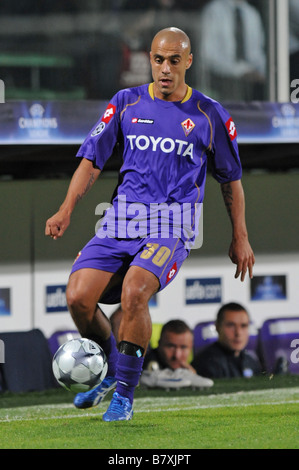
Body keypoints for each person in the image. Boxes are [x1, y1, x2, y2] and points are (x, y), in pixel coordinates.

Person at [45, 27, 255, 422]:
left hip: (171, 225)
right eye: (158, 59)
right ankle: (111, 364)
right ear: (151, 60)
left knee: (135, 290)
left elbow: (231, 182)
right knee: (77, 297)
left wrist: (240, 237)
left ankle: (124, 395)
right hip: (121, 220)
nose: (164, 68)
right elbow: (91, 160)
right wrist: (66, 209)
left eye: (174, 60)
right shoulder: (126, 102)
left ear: (188, 62)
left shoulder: (209, 115)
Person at [199, 0, 266, 100]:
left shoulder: (252, 14)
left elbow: (257, 53)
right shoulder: (213, 11)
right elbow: (208, 56)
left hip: (252, 86)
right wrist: (241, 71)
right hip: (222, 84)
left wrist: (262, 72)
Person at [191, 302, 262, 378]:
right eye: (231, 325)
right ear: (217, 327)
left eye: (243, 326)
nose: (238, 333)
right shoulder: (205, 364)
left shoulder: (251, 362)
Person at [141, 319, 214, 389]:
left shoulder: (202, 364)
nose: (177, 355)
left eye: (183, 347)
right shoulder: (144, 364)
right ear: (159, 344)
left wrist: (193, 375)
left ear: (191, 347)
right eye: (171, 346)